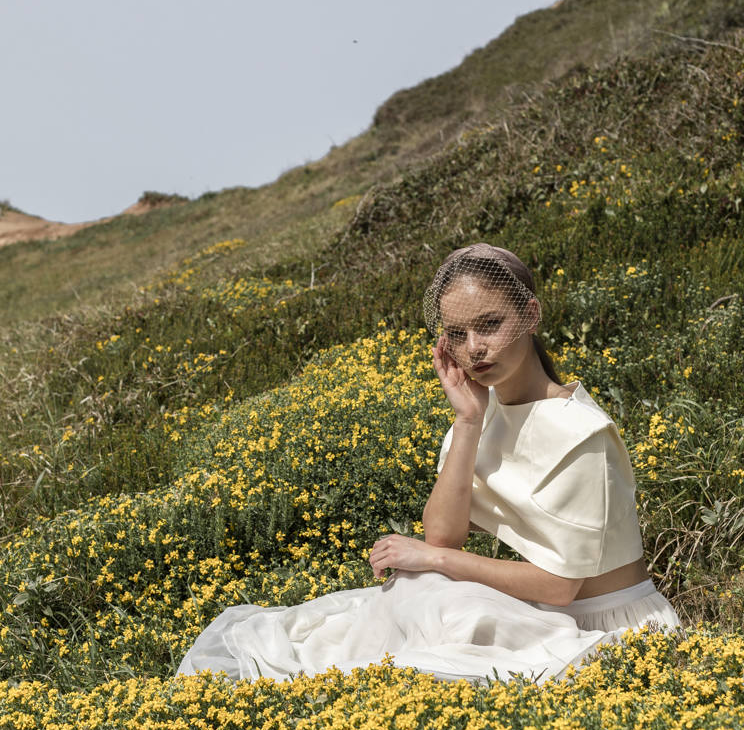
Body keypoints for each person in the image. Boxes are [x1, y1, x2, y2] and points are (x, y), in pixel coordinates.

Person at [176, 244, 678, 684]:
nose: (474, 348)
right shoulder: (486, 413)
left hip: (606, 624)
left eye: (490, 325)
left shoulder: (580, 433)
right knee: (418, 589)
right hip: (544, 613)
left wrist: (434, 560)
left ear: (530, 315)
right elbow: (443, 535)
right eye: (457, 334)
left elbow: (559, 586)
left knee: (429, 583)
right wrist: (466, 421)